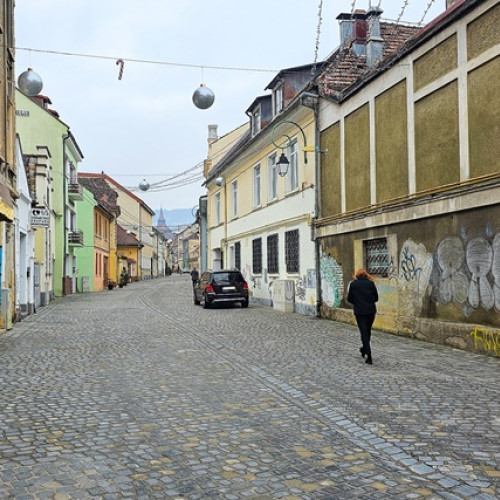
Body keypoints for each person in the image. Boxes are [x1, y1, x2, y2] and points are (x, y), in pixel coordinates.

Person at [347, 269, 379, 365]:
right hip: (370, 311)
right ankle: (364, 349)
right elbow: (376, 298)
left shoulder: (353, 284)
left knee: (364, 332)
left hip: (360, 312)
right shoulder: (370, 283)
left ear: (356, 275)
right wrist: (368, 301)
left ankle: (368, 354)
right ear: (366, 275)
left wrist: (357, 302)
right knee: (367, 331)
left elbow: (349, 298)